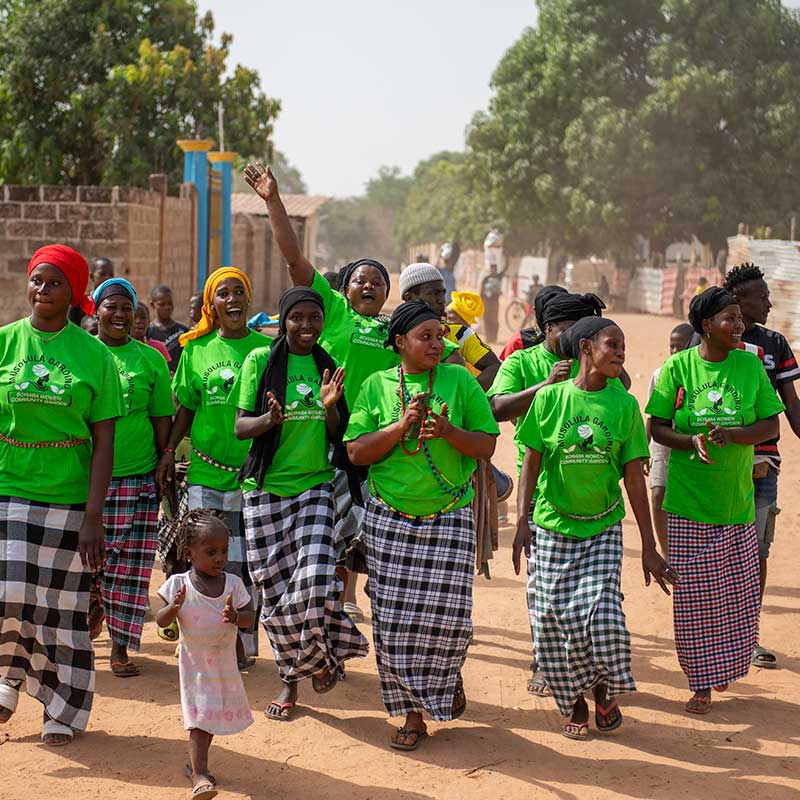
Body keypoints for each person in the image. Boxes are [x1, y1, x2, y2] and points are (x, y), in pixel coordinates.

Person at [243, 162, 440, 624]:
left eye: (378, 281)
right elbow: (294, 258)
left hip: (376, 435)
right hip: (326, 431)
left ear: (389, 293)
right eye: (360, 280)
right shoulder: (331, 312)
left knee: (366, 521)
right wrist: (274, 201)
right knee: (331, 519)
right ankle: (327, 598)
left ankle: (359, 594)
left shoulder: (397, 329)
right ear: (344, 288)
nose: (369, 285)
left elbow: (439, 357)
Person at [513, 316, 676, 740]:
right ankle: (575, 701)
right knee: (550, 622)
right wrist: (522, 520)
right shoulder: (549, 399)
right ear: (586, 347)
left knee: (602, 616)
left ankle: (603, 688)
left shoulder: (623, 405)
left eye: (623, 346)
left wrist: (649, 546)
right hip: (551, 526)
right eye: (612, 345)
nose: (621, 353)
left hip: (602, 527)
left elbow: (634, 478)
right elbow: (531, 461)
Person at [345, 301, 499, 751]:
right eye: (425, 337)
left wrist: (449, 432)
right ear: (399, 342)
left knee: (448, 622)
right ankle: (413, 715)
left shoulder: (460, 381)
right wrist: (402, 425)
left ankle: (446, 680)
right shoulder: (376, 386)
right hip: (389, 520)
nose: (436, 344)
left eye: (439, 336)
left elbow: (486, 445)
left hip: (449, 517)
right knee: (394, 624)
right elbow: (356, 452)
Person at [0, 244, 122, 746]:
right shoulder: (5, 341)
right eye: (37, 280)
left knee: (60, 609)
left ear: (73, 292)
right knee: (9, 594)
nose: (43, 289)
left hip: (69, 497)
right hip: (9, 487)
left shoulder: (95, 355)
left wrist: (93, 514)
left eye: (54, 283)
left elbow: (104, 441)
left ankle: (63, 707)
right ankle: (8, 678)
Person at [231, 286, 369, 721]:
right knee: (273, 594)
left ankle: (312, 662)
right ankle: (293, 676)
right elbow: (241, 428)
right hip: (265, 489)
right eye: (298, 318)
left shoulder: (328, 364)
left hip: (314, 487)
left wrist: (330, 407)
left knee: (315, 579)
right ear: (284, 320)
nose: (307, 326)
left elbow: (336, 434)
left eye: (315, 318)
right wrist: (269, 420)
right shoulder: (260, 360)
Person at [646, 287, 784, 714]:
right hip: (688, 503)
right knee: (694, 600)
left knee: (736, 597)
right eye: (730, 318)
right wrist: (691, 441)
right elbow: (657, 427)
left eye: (740, 317)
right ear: (706, 325)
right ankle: (701, 681)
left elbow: (770, 425)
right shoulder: (678, 367)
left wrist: (734, 435)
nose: (739, 325)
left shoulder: (750, 365)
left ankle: (723, 664)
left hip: (736, 502)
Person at [158, 267, 269, 667]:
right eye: (224, 294)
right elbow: (186, 408)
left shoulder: (267, 351)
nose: (232, 299)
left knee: (244, 562)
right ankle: (199, 635)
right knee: (203, 558)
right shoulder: (196, 350)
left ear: (248, 299)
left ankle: (241, 640)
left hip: (253, 475)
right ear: (212, 305)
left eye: (239, 291)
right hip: (205, 472)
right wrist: (169, 451)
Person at [91, 278, 175, 676]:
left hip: (137, 476)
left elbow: (161, 417)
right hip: (86, 479)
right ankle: (94, 610)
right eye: (112, 307)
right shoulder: (83, 353)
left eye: (127, 307)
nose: (120, 314)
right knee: (90, 563)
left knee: (130, 568)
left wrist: (165, 462)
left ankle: (120, 645)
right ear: (96, 311)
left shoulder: (150, 359)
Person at [723, 263, 800, 670]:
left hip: (762, 462)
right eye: (762, 297)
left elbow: (792, 407)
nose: (769, 303)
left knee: (756, 550)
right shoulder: (713, 340)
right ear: (738, 300)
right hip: (718, 464)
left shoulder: (775, 344)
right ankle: (715, 631)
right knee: (719, 547)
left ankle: (746, 636)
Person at [156, 510, 254, 800]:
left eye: (223, 551)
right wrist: (173, 608)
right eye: (211, 552)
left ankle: (195, 765)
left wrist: (236, 616)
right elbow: (160, 619)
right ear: (189, 553)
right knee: (199, 720)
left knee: (211, 718)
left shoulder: (233, 584)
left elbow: (249, 616)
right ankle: (199, 775)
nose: (219, 558)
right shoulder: (179, 585)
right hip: (195, 666)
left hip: (225, 664)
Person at [400, 266, 500, 389]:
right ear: (409, 298)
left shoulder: (460, 334)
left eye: (443, 293)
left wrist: (465, 394)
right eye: (433, 294)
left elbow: (495, 367)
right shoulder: (393, 336)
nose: (442, 300)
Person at [644, 323, 695, 557]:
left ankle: (685, 552)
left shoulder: (697, 376)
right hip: (662, 446)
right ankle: (667, 555)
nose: (674, 351)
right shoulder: (660, 374)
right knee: (658, 495)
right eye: (671, 347)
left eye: (680, 346)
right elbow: (652, 417)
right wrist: (643, 450)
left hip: (689, 447)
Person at [147, 284, 189, 373]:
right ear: (153, 305)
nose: (167, 307)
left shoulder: (182, 331)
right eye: (162, 304)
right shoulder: (148, 331)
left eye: (170, 303)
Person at [480, 263, 505, 342]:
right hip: (486, 302)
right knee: (487, 320)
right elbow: (481, 291)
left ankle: (494, 337)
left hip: (495, 302)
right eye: (492, 269)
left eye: (494, 269)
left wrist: (506, 259)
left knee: (494, 321)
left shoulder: (498, 277)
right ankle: (488, 338)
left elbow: (505, 269)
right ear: (490, 270)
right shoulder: (486, 279)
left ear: (496, 270)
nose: (493, 271)